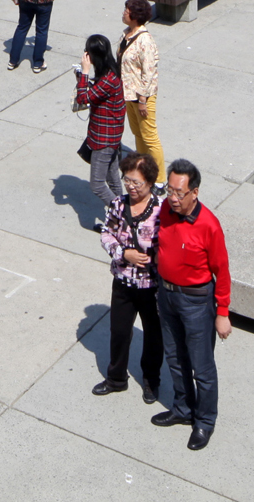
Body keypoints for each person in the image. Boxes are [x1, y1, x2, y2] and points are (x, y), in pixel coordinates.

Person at [151, 158, 232, 451]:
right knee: (174, 357)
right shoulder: (165, 210)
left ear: (194, 192)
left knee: (202, 367)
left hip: (196, 301)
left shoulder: (209, 225)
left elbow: (222, 272)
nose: (172, 198)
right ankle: (183, 409)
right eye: (169, 191)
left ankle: (205, 421)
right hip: (166, 294)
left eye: (179, 193)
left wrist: (222, 313)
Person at [95, 152, 164, 403]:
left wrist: (154, 257)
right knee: (120, 331)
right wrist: (124, 253)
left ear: (150, 182)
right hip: (123, 282)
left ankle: (151, 381)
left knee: (154, 336)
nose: (131, 187)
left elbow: (169, 243)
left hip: (152, 287)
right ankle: (116, 378)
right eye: (128, 180)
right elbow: (106, 234)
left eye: (137, 183)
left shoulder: (160, 210)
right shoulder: (118, 204)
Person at [73, 34, 125, 222]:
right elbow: (96, 93)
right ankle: (120, 216)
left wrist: (85, 73)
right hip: (109, 136)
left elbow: (83, 99)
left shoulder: (109, 79)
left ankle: (122, 215)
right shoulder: (110, 71)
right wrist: (84, 78)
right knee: (113, 180)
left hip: (104, 139)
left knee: (96, 184)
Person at [118, 0, 163, 171]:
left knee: (150, 137)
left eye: (127, 10)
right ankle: (144, 166)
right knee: (138, 134)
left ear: (135, 15)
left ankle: (159, 179)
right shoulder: (126, 34)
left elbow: (149, 72)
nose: (123, 12)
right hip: (128, 94)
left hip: (142, 96)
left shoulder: (145, 41)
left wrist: (143, 100)